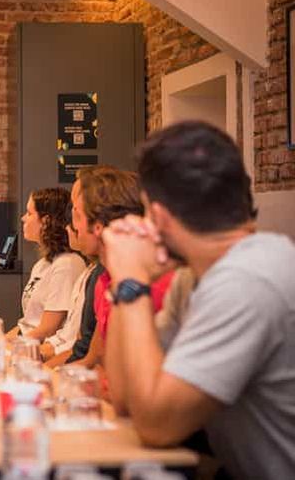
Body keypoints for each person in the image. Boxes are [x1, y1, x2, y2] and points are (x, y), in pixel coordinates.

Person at [103, 121, 295, 479]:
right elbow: (127, 399)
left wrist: (133, 280)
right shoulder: (194, 279)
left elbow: (157, 425)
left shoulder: (247, 281)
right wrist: (123, 282)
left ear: (157, 217)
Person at [65, 166, 170, 369]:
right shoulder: (104, 280)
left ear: (98, 227)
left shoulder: (158, 286)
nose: (73, 226)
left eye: (77, 215)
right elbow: (98, 361)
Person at [14, 187, 86, 340]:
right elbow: (26, 326)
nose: (23, 218)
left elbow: (48, 329)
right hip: (28, 343)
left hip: (42, 349)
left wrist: (10, 347)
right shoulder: (42, 264)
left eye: (29, 213)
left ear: (46, 221)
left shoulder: (68, 264)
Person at [40, 202, 103, 366]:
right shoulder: (90, 271)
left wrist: (43, 369)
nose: (71, 227)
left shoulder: (73, 265)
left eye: (78, 217)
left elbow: (84, 352)